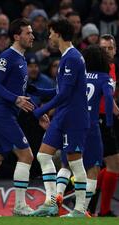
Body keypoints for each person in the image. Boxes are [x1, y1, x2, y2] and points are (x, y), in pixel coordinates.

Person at [0, 18, 48, 216]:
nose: (32, 36)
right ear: (16, 36)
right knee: (26, 156)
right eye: (28, 33)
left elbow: (29, 89)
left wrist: (56, 93)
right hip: (1, 114)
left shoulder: (22, 59)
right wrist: (15, 100)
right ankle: (20, 206)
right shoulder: (7, 56)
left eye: (32, 33)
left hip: (4, 114)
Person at [31, 18, 90, 217]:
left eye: (50, 32)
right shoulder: (67, 56)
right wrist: (37, 90)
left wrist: (42, 110)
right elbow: (61, 90)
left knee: (74, 163)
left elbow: (65, 94)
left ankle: (80, 209)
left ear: (58, 33)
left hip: (73, 117)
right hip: (63, 116)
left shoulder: (72, 57)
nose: (49, 36)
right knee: (43, 155)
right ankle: (50, 203)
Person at [55, 45, 114, 216]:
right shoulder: (104, 77)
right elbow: (109, 98)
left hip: (73, 124)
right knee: (93, 168)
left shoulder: (79, 75)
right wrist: (109, 121)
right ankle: (82, 209)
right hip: (92, 126)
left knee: (67, 163)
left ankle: (57, 196)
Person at [95, 34, 119, 217]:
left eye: (109, 48)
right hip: (100, 119)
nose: (106, 51)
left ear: (115, 50)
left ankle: (90, 203)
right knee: (113, 163)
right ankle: (103, 211)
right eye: (103, 48)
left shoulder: (112, 67)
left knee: (106, 164)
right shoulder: (100, 69)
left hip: (105, 119)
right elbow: (107, 97)